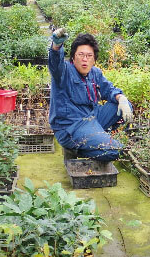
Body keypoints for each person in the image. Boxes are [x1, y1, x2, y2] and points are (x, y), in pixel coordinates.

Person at [49, 31, 133, 161]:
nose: (85, 59)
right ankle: (76, 150)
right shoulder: (64, 72)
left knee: (125, 106)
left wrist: (121, 98)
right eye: (81, 55)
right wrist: (56, 46)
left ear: (94, 59)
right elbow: (55, 64)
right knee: (116, 151)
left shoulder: (95, 73)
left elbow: (109, 90)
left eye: (89, 56)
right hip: (71, 126)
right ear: (73, 57)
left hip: (92, 118)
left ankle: (98, 139)